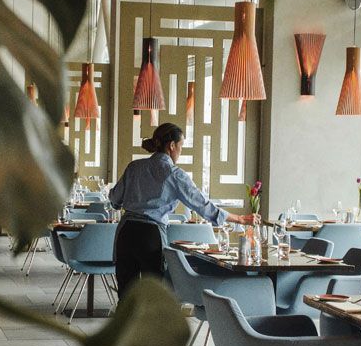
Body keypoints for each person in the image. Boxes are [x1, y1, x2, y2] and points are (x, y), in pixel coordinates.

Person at [108, 122, 259, 296]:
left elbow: (114, 199)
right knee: (154, 298)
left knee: (125, 296)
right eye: (180, 146)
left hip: (126, 233)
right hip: (150, 236)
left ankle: (125, 324)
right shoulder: (174, 174)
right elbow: (202, 205)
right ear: (171, 146)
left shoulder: (134, 167)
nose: (180, 152)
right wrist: (239, 219)